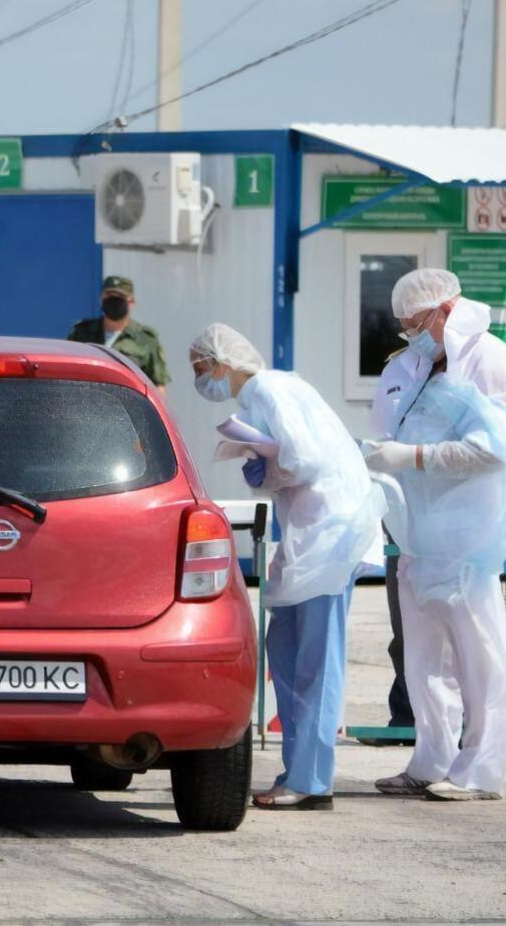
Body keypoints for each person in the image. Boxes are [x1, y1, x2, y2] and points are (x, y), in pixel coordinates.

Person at [190, 323, 382, 811]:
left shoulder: (271, 390)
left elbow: (306, 460)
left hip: (330, 536)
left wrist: (267, 469)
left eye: (201, 368)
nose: (202, 380)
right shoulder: (268, 394)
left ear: (223, 362)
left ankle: (313, 780)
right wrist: (265, 469)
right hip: (312, 536)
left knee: (315, 659)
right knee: (287, 648)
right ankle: (298, 770)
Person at [365, 281, 506, 802]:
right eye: (405, 326)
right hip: (417, 530)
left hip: (468, 535)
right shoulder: (405, 367)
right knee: (423, 656)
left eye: (416, 323)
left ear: (445, 310)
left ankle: (480, 769)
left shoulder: (492, 362)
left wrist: (413, 458)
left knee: (480, 654)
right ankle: (430, 759)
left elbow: (496, 451)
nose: (410, 333)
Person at [68, 276, 170, 392]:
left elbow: (158, 385)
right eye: (109, 295)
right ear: (101, 298)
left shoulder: (146, 340)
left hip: (127, 407)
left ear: (132, 302)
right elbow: (67, 372)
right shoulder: (81, 333)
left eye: (120, 296)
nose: (114, 300)